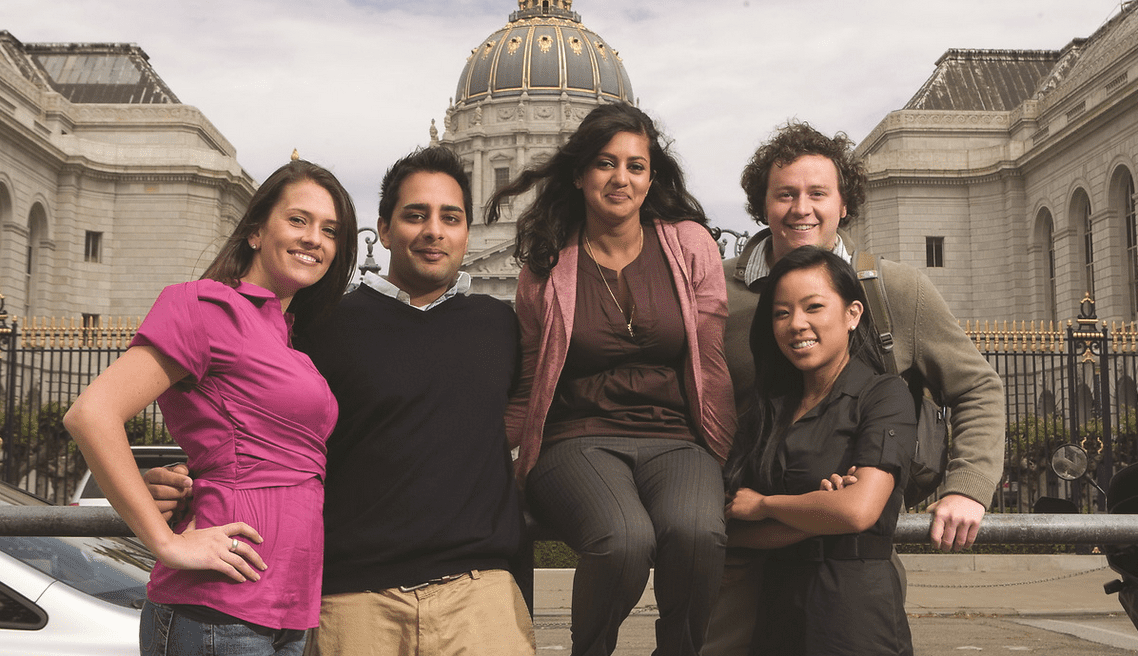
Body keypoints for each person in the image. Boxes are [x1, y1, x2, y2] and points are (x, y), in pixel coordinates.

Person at [148, 146, 535, 656]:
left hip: (479, 598)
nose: (434, 231)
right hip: (352, 602)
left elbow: (527, 415)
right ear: (385, 227)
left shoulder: (501, 324)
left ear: (467, 229)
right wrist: (186, 477)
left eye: (451, 217)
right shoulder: (318, 323)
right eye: (415, 215)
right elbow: (250, 418)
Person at [702, 121, 1005, 656]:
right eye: (786, 194)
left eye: (818, 193)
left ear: (844, 205)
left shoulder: (893, 289)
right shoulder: (715, 291)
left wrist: (968, 484)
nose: (802, 208)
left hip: (847, 555)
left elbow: (977, 386)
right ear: (762, 205)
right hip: (742, 546)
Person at [64, 159, 359, 656]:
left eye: (330, 230)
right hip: (218, 609)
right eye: (298, 220)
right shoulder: (203, 307)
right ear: (254, 233)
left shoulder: (289, 341)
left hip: (288, 608)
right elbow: (91, 414)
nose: (315, 238)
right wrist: (166, 541)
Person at [488, 102, 737, 656]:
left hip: (675, 437)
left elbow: (711, 365)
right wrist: (471, 453)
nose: (620, 178)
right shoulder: (547, 264)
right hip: (577, 439)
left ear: (652, 177)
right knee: (623, 539)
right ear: (579, 174)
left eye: (636, 165)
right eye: (605, 163)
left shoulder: (690, 246)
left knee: (698, 533)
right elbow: (529, 383)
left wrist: (729, 458)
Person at [724, 245, 916, 655]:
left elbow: (858, 510)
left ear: (853, 314)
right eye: (781, 313)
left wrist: (766, 504)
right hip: (777, 612)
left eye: (814, 307)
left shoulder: (884, 395)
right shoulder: (766, 408)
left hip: (855, 615)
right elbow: (735, 528)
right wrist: (817, 512)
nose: (796, 324)